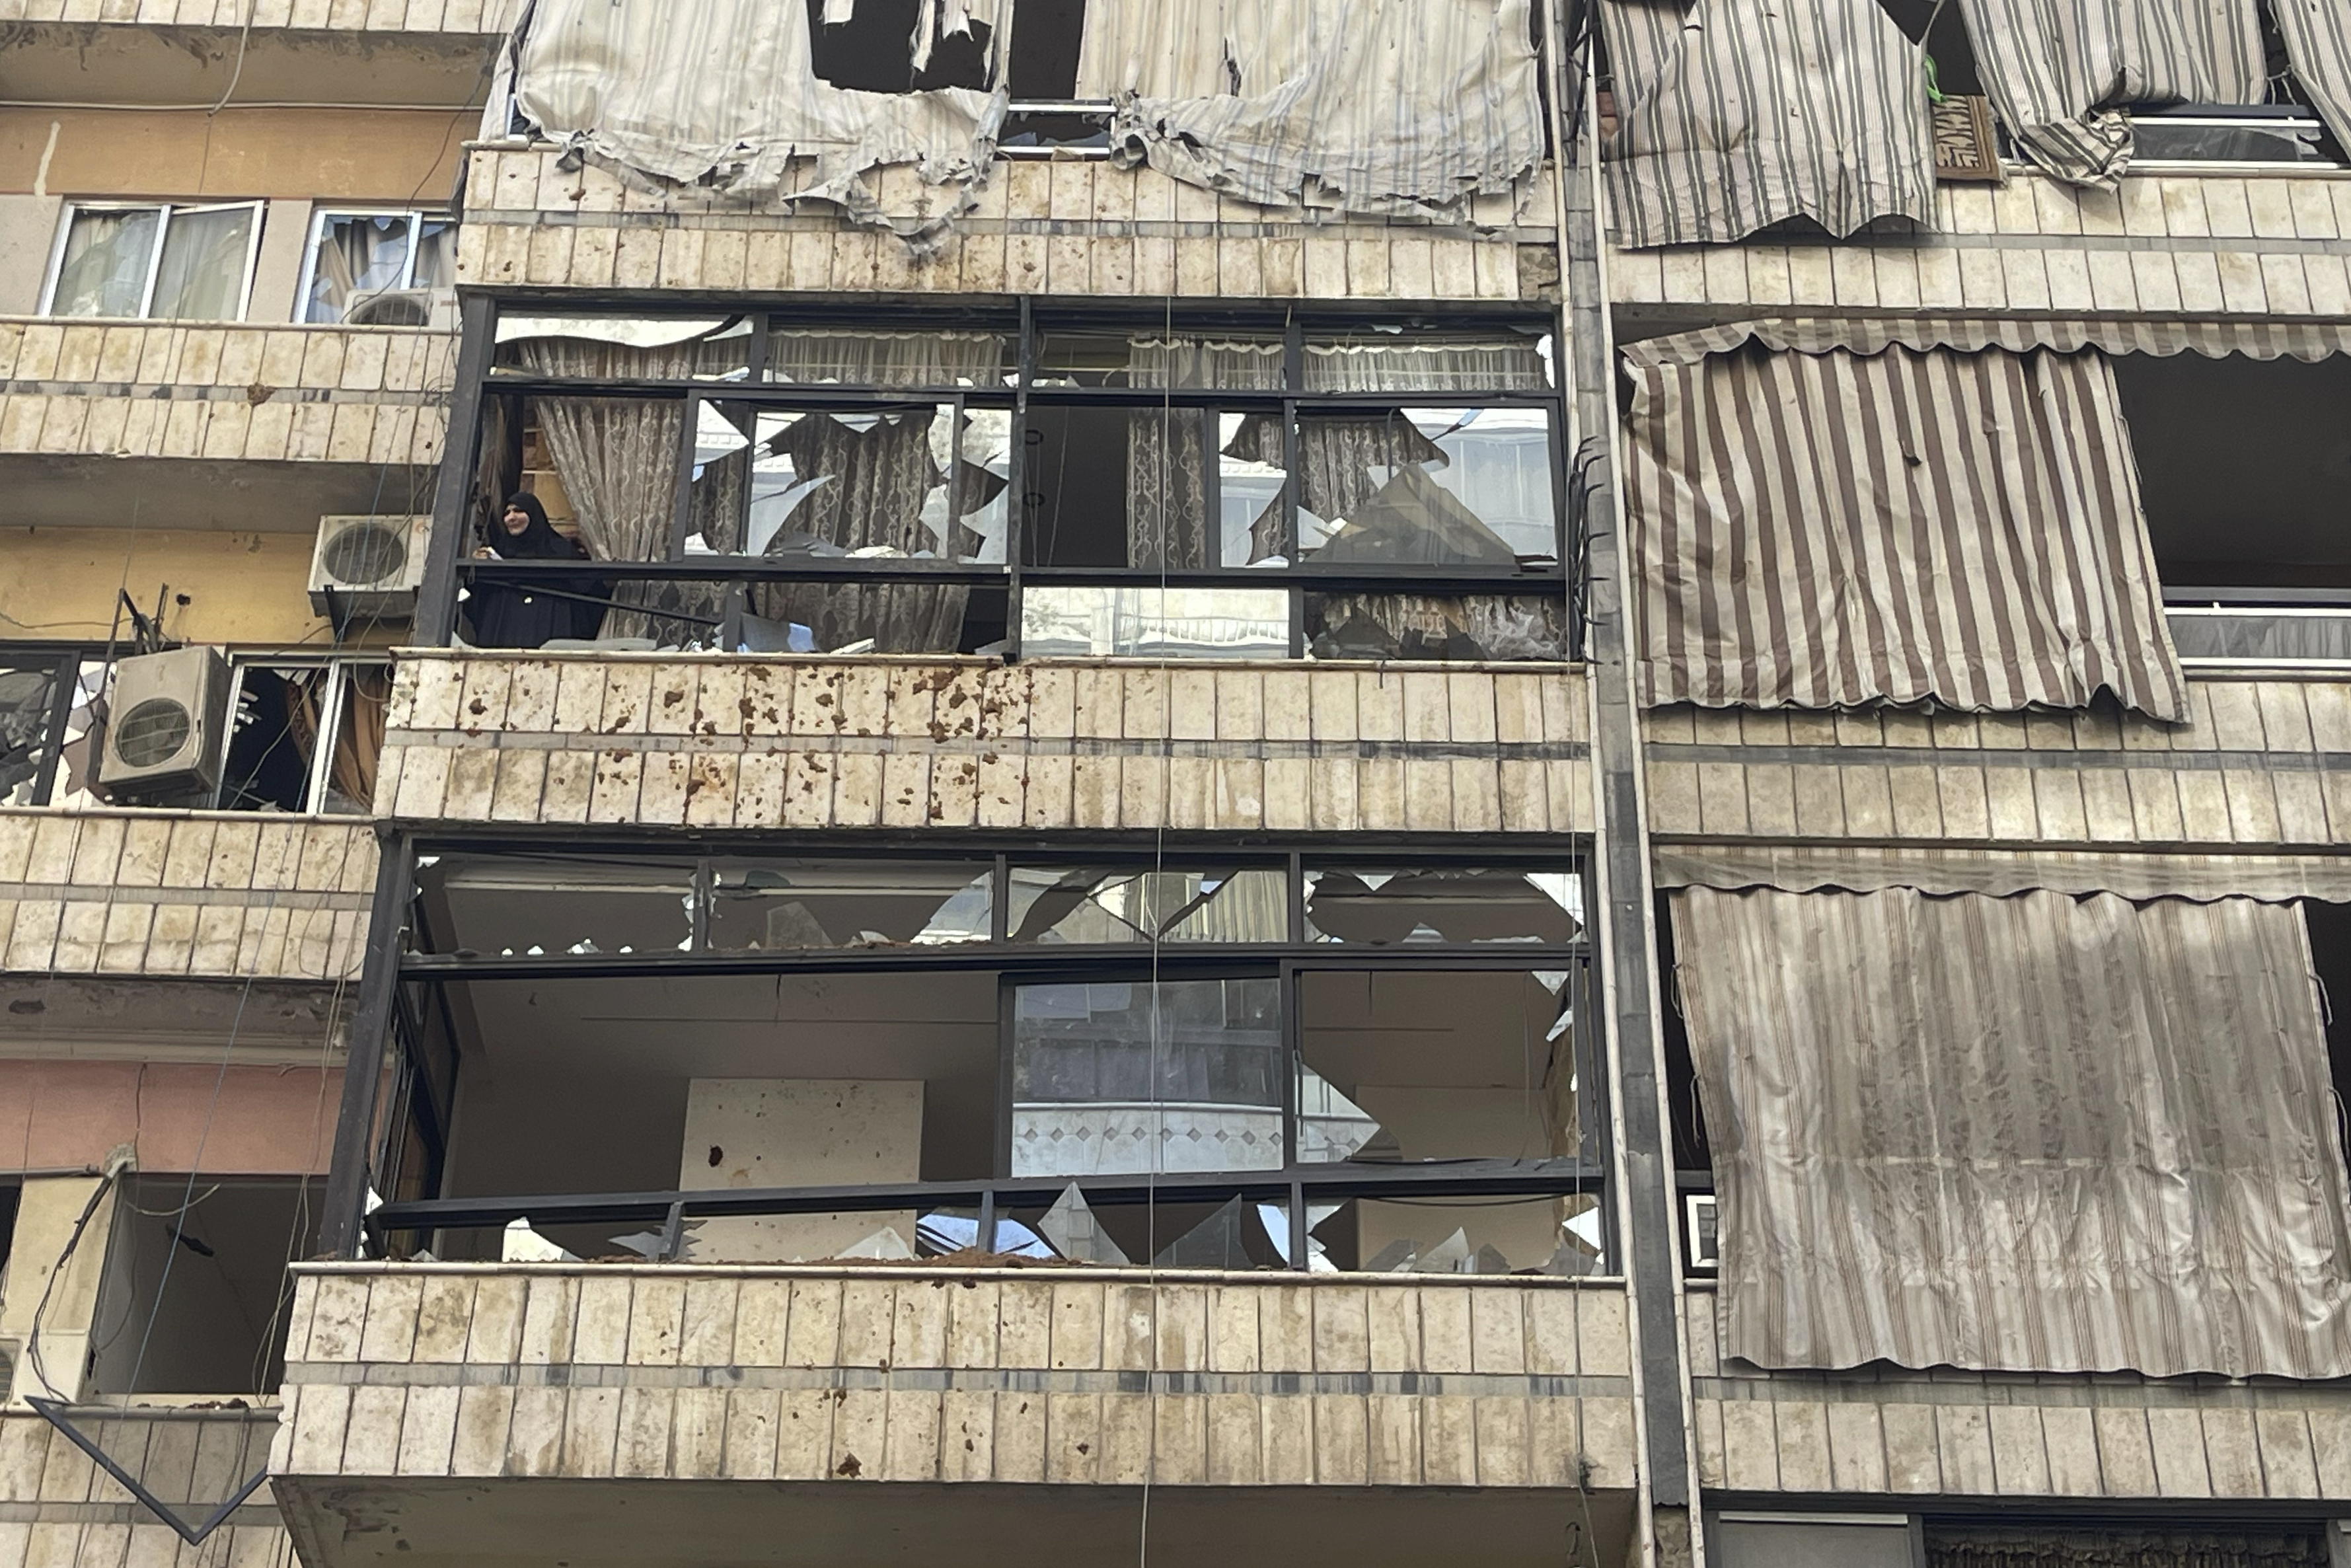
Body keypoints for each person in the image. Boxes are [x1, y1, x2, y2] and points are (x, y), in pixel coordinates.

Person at [463, 494, 608, 649]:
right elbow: (477, 600)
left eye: (518, 511)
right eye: (507, 513)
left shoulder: (561, 551)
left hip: (550, 630)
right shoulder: (500, 551)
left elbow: (588, 592)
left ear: (534, 514)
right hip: (505, 634)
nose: (511, 517)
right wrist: (478, 568)